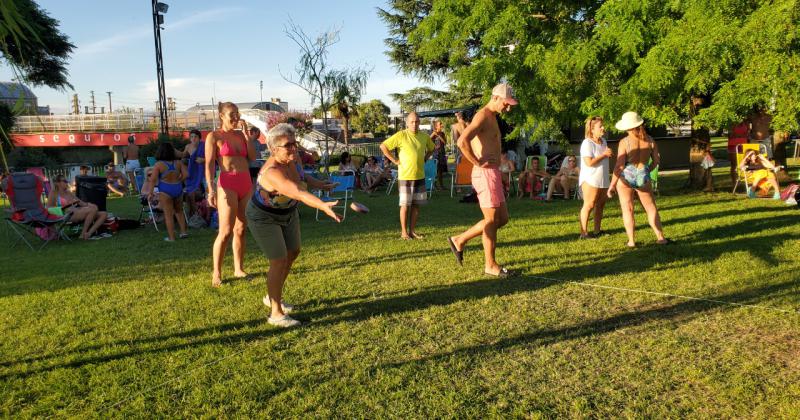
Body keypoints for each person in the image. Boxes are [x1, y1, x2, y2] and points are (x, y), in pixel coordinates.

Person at [247, 123, 341, 327]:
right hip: (264, 217)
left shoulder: (293, 158)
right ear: (273, 149)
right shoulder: (272, 172)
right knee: (278, 259)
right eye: (287, 145)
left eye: (294, 142)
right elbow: (297, 192)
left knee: (293, 251)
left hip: (288, 213)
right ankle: (276, 313)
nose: (293, 148)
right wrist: (322, 206)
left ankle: (272, 295)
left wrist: (320, 185)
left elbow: (302, 177)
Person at [448, 83, 518, 277]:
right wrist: (477, 162)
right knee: (491, 220)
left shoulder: (493, 116)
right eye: (506, 103)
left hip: (493, 172)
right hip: (485, 173)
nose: (508, 107)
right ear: (495, 98)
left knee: (502, 219)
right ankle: (490, 265)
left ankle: (459, 240)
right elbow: (462, 141)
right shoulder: (482, 115)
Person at [205, 102, 257, 287]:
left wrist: (246, 136)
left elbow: (252, 157)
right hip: (227, 184)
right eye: (231, 114)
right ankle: (217, 272)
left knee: (241, 229)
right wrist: (210, 189)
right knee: (226, 231)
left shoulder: (240, 135)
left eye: (237, 114)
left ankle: (238, 268)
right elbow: (210, 164)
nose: (236, 117)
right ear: (221, 115)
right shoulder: (214, 136)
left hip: (246, 183)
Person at [608, 111, 671, 247]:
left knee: (628, 209)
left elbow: (619, 166)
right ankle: (660, 237)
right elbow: (656, 161)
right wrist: (647, 170)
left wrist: (612, 185)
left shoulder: (624, 142)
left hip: (626, 177)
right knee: (651, 207)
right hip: (643, 175)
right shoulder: (650, 140)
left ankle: (631, 241)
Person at [380, 112, 435, 240]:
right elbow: (383, 146)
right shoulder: (401, 135)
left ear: (419, 123)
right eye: (412, 122)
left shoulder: (424, 137)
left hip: (419, 176)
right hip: (405, 176)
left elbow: (432, 148)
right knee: (405, 205)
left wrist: (425, 158)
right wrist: (394, 161)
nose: (414, 124)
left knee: (416, 205)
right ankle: (404, 233)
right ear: (407, 123)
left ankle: (412, 231)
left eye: (416, 122)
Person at [578, 116, 612, 239]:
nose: (603, 128)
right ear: (592, 129)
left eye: (603, 125)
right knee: (589, 204)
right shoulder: (587, 143)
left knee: (600, 205)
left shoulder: (604, 142)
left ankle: (597, 231)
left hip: (603, 179)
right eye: (600, 126)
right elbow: (589, 162)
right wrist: (604, 155)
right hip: (590, 179)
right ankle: (584, 233)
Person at [47, 174, 108, 240]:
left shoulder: (68, 192)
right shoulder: (53, 193)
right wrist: (61, 209)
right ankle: (82, 234)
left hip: (76, 211)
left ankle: (88, 233)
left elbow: (80, 202)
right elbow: (49, 208)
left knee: (103, 214)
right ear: (58, 183)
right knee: (92, 210)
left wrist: (89, 204)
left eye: (66, 180)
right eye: (64, 181)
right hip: (66, 215)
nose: (67, 182)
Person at [149, 143, 188, 241]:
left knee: (168, 214)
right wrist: (179, 180)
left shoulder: (158, 165)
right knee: (179, 211)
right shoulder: (178, 163)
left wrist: (150, 193)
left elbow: (153, 179)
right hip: (178, 188)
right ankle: (183, 232)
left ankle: (171, 238)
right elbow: (186, 174)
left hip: (165, 190)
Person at [177, 129, 206, 217]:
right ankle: (194, 213)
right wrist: (172, 151)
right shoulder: (188, 146)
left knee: (208, 191)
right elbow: (182, 155)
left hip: (205, 172)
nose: (193, 138)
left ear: (199, 138)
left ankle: (208, 214)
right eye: (191, 137)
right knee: (190, 192)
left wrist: (204, 160)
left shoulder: (204, 145)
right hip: (193, 172)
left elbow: (213, 157)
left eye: (195, 137)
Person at [431, 120, 448, 189]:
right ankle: (434, 185)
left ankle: (441, 185)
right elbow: (428, 140)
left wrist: (439, 136)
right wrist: (433, 134)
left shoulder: (442, 133)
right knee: (435, 170)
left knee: (440, 171)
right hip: (436, 154)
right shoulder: (433, 133)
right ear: (436, 126)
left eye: (441, 123)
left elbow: (444, 142)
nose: (441, 125)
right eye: (440, 124)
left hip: (442, 154)